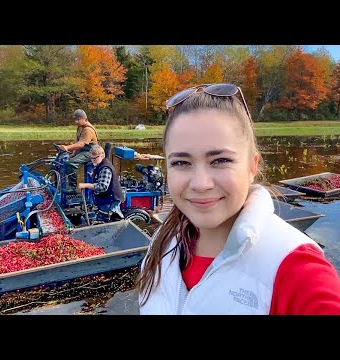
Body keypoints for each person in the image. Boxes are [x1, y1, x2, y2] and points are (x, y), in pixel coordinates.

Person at [137, 83, 340, 315]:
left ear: (252, 166)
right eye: (181, 163)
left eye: (220, 160)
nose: (201, 184)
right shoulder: (162, 243)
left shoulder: (297, 270)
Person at [78, 144, 124, 222]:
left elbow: (103, 187)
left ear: (102, 155)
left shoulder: (105, 168)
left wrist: (86, 185)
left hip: (111, 199)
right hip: (105, 198)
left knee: (104, 220)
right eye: (91, 158)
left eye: (95, 158)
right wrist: (94, 175)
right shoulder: (100, 164)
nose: (93, 160)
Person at [57, 109, 99, 192]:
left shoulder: (88, 130)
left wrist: (67, 147)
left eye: (78, 119)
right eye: (75, 119)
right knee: (63, 160)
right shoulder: (80, 128)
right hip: (84, 150)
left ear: (85, 119)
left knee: (71, 164)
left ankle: (72, 187)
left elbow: (81, 144)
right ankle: (59, 184)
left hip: (91, 152)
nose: (76, 121)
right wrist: (73, 153)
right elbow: (77, 141)